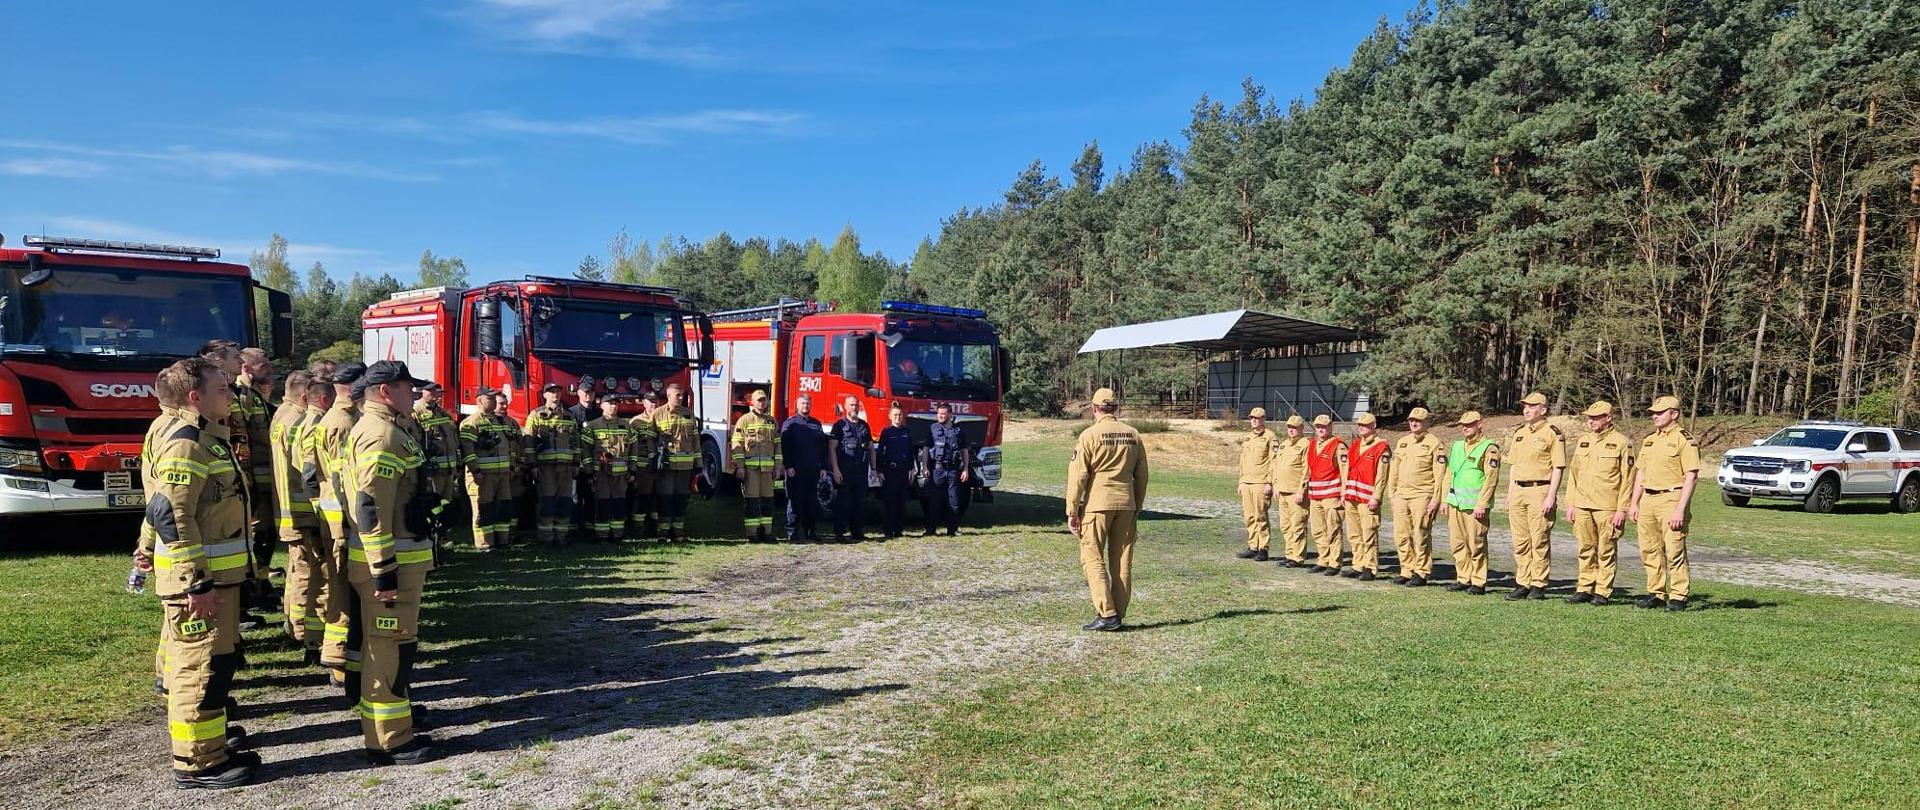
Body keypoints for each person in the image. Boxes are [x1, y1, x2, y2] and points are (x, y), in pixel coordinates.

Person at [145, 357, 259, 788]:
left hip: (215, 581)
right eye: (222, 388)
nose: (230, 394)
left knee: (215, 666)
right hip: (199, 584)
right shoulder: (186, 442)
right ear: (196, 397)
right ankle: (197, 763)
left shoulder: (204, 437)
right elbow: (171, 513)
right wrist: (197, 581)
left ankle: (211, 748)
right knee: (199, 670)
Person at [344, 360, 438, 765]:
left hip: (399, 561)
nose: (413, 394)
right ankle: (388, 741)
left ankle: (394, 726)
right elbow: (371, 507)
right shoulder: (381, 436)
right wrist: (383, 569)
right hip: (390, 566)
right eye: (406, 388)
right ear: (385, 391)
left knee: (396, 647)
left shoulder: (388, 428)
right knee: (388, 650)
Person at [1064, 388, 1149, 632]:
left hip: (1097, 505)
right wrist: (1137, 506)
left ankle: (1107, 612)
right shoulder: (1133, 435)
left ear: (1094, 409)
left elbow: (1078, 475)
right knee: (1122, 561)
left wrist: (1072, 510)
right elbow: (1142, 476)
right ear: (1117, 408)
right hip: (1126, 504)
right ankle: (1118, 612)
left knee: (1092, 557)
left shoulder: (1089, 435)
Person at [315, 362, 366, 691]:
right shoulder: (342, 422)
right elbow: (342, 479)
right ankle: (340, 663)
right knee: (344, 596)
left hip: (339, 522)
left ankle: (341, 662)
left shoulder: (341, 418)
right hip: (341, 524)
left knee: (345, 593)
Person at [270, 371, 324, 663]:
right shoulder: (301, 422)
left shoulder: (282, 416)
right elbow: (306, 472)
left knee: (297, 570)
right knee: (309, 574)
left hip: (289, 511)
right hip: (303, 513)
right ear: (306, 396)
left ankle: (294, 624)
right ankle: (306, 634)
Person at [1629, 395, 1701, 611]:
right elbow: (1640, 473)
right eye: (1653, 413)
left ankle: (1679, 595)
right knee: (1649, 549)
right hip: (1648, 499)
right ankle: (1656, 592)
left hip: (1671, 498)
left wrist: (1680, 509)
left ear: (1674, 414)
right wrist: (1634, 503)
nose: (1655, 416)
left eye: (1660, 413)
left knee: (1674, 549)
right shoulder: (1650, 440)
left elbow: (1691, 476)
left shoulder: (1684, 439)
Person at [1564, 401, 1633, 605]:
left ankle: (1602, 590)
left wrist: (1622, 509)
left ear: (1608, 418)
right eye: (1589, 418)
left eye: (1595, 418)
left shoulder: (1622, 442)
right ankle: (1585, 587)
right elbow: (1573, 475)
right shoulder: (1584, 441)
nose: (1590, 421)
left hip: (1607, 506)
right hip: (1583, 504)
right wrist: (1571, 504)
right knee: (1585, 548)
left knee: (1605, 549)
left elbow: (1628, 479)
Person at [1504, 392, 1566, 601]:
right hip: (1518, 492)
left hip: (1540, 490)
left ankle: (1538, 583)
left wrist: (1551, 496)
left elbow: (1558, 467)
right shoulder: (1520, 433)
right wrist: (1510, 492)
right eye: (1525, 406)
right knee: (1520, 541)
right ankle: (1523, 582)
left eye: (1532, 406)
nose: (1527, 409)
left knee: (1538, 538)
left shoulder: (1552, 433)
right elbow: (1514, 466)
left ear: (1543, 410)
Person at [236, 348, 279, 596]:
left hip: (263, 477)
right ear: (247, 369)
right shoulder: (243, 397)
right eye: (264, 366)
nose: (270, 370)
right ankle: (253, 585)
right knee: (258, 533)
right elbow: (247, 439)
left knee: (266, 533)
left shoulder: (254, 395)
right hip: (253, 477)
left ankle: (261, 581)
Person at [1444, 411, 1500, 595]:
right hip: (1456, 504)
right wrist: (1446, 499)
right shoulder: (1457, 446)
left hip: (1475, 506)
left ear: (1479, 424)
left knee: (1476, 544)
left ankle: (1478, 581)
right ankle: (1463, 577)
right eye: (1463, 424)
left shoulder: (1488, 448)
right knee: (1458, 543)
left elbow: (1491, 479)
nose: (1465, 428)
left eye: (1469, 424)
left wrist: (1482, 504)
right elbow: (1450, 474)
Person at [1389, 407, 1445, 586]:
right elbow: (1394, 469)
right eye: (1411, 420)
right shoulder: (1402, 442)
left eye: (1418, 421)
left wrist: (1436, 498)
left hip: (1422, 494)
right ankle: (1406, 569)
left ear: (1426, 422)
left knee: (1421, 533)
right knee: (1401, 535)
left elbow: (1440, 473)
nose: (1413, 423)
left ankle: (1421, 571)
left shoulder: (1434, 443)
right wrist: (1392, 494)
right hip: (1401, 495)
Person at [459, 389, 517, 551]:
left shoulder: (500, 421)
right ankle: (485, 544)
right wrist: (475, 471)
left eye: (493, 398)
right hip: (483, 476)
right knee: (483, 509)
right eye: (489, 398)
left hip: (503, 474)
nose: (492, 401)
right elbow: (468, 450)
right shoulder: (471, 422)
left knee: (503, 508)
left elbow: (509, 446)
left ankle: (502, 541)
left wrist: (511, 467)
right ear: (479, 401)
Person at [525, 383, 581, 546]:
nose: (555, 395)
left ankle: (562, 537)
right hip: (545, 468)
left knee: (565, 501)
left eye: (557, 392)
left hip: (566, 468)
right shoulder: (536, 415)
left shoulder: (569, 416)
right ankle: (546, 538)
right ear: (544, 395)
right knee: (547, 502)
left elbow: (575, 442)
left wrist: (576, 463)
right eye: (551, 392)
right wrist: (532, 465)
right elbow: (529, 442)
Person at [1340, 413, 1390, 580]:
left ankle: (1370, 566)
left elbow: (1382, 476)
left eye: (1365, 424)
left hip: (1367, 498)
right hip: (1352, 495)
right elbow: (1347, 470)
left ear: (1373, 426)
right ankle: (1358, 563)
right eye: (1360, 424)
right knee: (1354, 533)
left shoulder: (1381, 446)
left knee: (1368, 532)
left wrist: (1376, 497)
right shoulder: (1355, 445)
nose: (1361, 427)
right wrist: (1344, 491)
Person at [729, 390, 783, 542]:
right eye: (758, 400)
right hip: (750, 470)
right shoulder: (744, 420)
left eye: (764, 400)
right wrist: (740, 466)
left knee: (768, 502)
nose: (761, 403)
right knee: (752, 501)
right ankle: (752, 534)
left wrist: (778, 467)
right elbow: (737, 444)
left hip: (768, 471)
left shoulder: (772, 421)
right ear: (752, 402)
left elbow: (778, 446)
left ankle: (767, 533)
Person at [413, 383, 462, 549]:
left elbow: (454, 441)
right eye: (433, 391)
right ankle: (432, 538)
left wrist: (458, 464)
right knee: (433, 506)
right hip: (433, 472)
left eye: (439, 392)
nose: (437, 394)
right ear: (422, 392)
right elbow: (415, 442)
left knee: (445, 505)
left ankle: (443, 535)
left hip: (448, 470)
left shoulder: (443, 413)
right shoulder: (416, 413)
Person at [652, 383, 703, 541]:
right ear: (668, 396)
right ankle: (663, 533)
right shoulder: (658, 414)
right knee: (665, 498)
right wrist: (655, 458)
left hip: (685, 467)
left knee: (681, 498)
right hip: (666, 466)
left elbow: (696, 441)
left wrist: (698, 464)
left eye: (682, 395)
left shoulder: (689, 414)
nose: (681, 398)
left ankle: (678, 533)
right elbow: (650, 439)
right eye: (677, 395)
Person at [582, 396, 633, 542]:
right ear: (601, 405)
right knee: (602, 503)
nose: (613, 406)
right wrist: (590, 471)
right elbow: (585, 451)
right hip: (601, 473)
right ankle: (602, 536)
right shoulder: (592, 426)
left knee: (619, 503)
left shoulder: (626, 425)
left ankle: (618, 535)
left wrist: (632, 469)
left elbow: (633, 449)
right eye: (610, 403)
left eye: (616, 403)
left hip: (621, 474)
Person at [781, 394, 828, 542]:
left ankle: (810, 532)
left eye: (807, 403)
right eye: (802, 403)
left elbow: (823, 448)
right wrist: (788, 466)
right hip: (796, 470)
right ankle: (792, 532)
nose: (805, 406)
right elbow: (785, 447)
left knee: (811, 502)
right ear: (797, 405)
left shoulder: (816, 424)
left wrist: (823, 467)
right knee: (794, 501)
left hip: (812, 470)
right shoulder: (790, 424)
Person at [828, 395, 874, 542]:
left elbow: (871, 448)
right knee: (843, 503)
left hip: (860, 472)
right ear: (846, 406)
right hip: (844, 471)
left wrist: (873, 468)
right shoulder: (839, 425)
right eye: (851, 405)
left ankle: (857, 532)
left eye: (856, 405)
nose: (854, 408)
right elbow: (832, 449)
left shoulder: (864, 426)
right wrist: (835, 469)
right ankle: (840, 533)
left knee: (859, 503)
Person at [1305, 414, 1347, 575]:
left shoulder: (1338, 445)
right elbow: (1309, 469)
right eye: (1318, 427)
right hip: (1315, 494)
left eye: (1324, 426)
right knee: (1318, 530)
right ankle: (1323, 559)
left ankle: (1335, 563)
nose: (1321, 429)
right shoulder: (1313, 444)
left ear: (1331, 427)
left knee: (1333, 529)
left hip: (1332, 495)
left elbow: (1344, 469)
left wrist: (1343, 492)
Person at [1235, 407, 1278, 561]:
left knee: (1261, 516)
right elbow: (1242, 461)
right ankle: (1253, 546)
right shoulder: (1247, 438)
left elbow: (1274, 461)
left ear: (1264, 419)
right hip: (1247, 482)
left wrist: (1270, 482)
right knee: (1249, 517)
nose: (1254, 420)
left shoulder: (1270, 437)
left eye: (1257, 418)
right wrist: (1241, 480)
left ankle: (1263, 548)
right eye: (1252, 417)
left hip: (1261, 482)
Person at [923, 402, 972, 537]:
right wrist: (925, 466)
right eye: (939, 414)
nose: (940, 416)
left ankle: (952, 530)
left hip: (953, 470)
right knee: (934, 500)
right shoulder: (932, 429)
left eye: (943, 414)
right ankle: (930, 530)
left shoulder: (958, 431)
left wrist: (966, 469)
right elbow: (926, 449)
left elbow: (964, 451)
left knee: (954, 500)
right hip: (937, 469)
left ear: (950, 415)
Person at [1270, 414, 1311, 567]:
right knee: (1285, 526)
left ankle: (1297, 557)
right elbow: (1276, 466)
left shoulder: (1305, 444)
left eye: (1295, 427)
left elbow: (1307, 470)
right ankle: (1289, 554)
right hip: (1282, 491)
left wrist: (1302, 490)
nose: (1291, 430)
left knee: (1297, 525)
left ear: (1302, 428)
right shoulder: (1284, 444)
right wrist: (1275, 485)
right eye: (1289, 427)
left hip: (1296, 493)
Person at [627, 391, 664, 539]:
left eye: (656, 401)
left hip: (661, 466)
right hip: (643, 466)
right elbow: (630, 446)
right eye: (650, 401)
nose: (653, 404)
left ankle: (655, 527)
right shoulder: (635, 422)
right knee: (642, 496)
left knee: (657, 496)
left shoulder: (663, 419)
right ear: (644, 403)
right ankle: (638, 528)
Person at [875, 402, 915, 538]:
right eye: (895, 415)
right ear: (890, 416)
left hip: (903, 471)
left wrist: (911, 469)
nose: (898, 417)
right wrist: (879, 471)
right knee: (889, 502)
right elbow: (880, 452)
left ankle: (898, 530)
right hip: (889, 472)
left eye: (899, 415)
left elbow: (910, 452)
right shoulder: (886, 432)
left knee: (901, 502)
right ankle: (888, 530)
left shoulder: (907, 432)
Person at [567, 380, 601, 538]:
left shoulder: (599, 414)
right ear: (578, 393)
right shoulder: (570, 413)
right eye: (586, 392)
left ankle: (589, 529)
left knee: (590, 495)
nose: (589, 395)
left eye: (592, 392)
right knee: (574, 495)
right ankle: (573, 530)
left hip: (591, 462)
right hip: (575, 461)